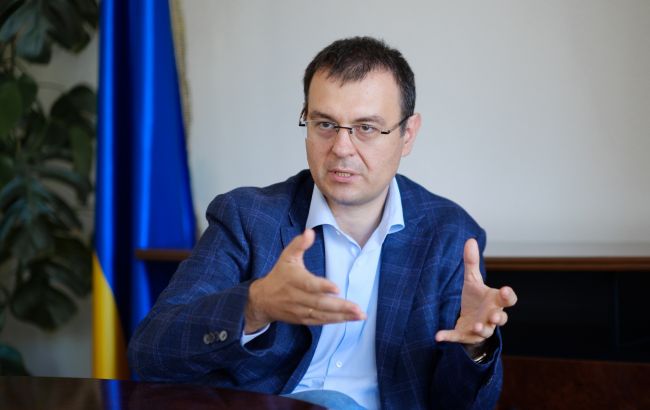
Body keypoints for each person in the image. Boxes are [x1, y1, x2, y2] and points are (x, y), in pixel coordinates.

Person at [128, 36, 517, 410]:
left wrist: (473, 348)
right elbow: (149, 353)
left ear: (407, 134)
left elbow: (465, 404)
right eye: (325, 124)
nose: (341, 148)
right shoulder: (248, 218)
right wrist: (255, 305)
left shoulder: (449, 235)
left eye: (366, 128)